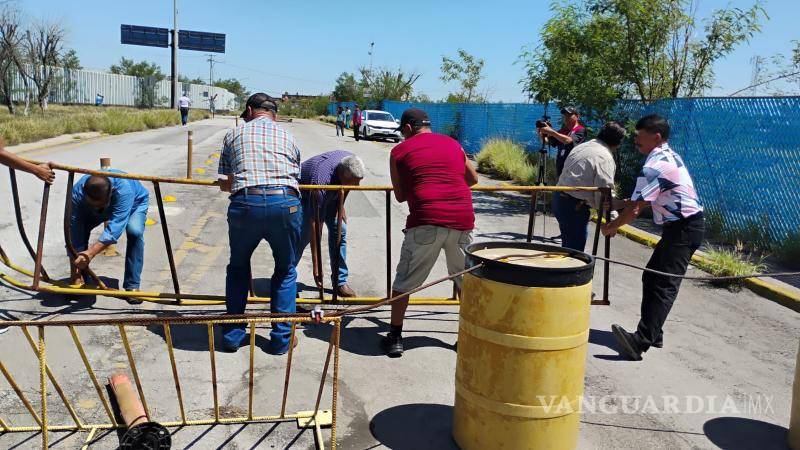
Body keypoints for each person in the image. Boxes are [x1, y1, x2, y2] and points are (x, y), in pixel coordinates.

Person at [601, 114, 705, 361]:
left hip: (684, 227)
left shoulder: (656, 164)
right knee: (653, 278)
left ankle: (641, 341)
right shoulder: (663, 157)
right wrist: (618, 203)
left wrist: (612, 227)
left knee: (662, 284)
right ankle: (653, 332)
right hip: (680, 227)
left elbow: (636, 210)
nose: (635, 139)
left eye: (640, 135)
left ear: (656, 137)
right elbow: (641, 201)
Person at [383, 108, 479, 357]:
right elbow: (473, 178)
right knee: (465, 281)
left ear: (406, 129)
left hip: (426, 220)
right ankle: (469, 337)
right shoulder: (453, 144)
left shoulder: (398, 151)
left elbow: (401, 195)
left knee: (404, 281)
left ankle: (395, 336)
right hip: (462, 219)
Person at [218, 93, 302, 355]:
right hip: (285, 203)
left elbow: (229, 181)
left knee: (239, 267)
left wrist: (227, 185)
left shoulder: (234, 135)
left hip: (247, 204)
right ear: (273, 114)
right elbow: (293, 173)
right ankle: (281, 340)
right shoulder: (288, 136)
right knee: (285, 270)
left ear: (249, 110)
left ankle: (233, 335)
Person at [69, 170, 149, 303]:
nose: (97, 206)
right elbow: (74, 226)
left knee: (135, 232)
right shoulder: (77, 192)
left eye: (100, 203)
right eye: (93, 202)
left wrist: (90, 253)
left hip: (135, 203)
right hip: (95, 206)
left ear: (112, 190)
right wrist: (76, 266)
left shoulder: (124, 190)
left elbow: (115, 228)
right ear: (84, 190)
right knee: (79, 231)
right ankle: (78, 275)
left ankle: (132, 285)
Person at [295, 151, 365, 298]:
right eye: (355, 181)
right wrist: (316, 266)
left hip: (332, 195)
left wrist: (341, 206)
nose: (358, 185)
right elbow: (316, 226)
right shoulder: (321, 181)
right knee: (303, 236)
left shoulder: (350, 161)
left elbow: (347, 187)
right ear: (344, 176)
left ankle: (339, 282)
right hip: (307, 196)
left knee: (340, 231)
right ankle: (286, 282)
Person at [553, 122, 627, 251]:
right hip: (574, 206)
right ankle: (568, 271)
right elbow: (604, 194)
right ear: (618, 143)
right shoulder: (604, 157)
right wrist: (612, 222)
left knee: (568, 245)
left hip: (559, 198)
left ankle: (563, 268)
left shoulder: (583, 146)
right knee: (574, 252)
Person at [538, 106, 586, 177]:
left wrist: (552, 132)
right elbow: (547, 141)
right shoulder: (563, 131)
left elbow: (569, 140)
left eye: (569, 115)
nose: (566, 117)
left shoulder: (580, 129)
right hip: (560, 166)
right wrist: (541, 132)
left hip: (573, 167)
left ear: (577, 116)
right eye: (565, 115)